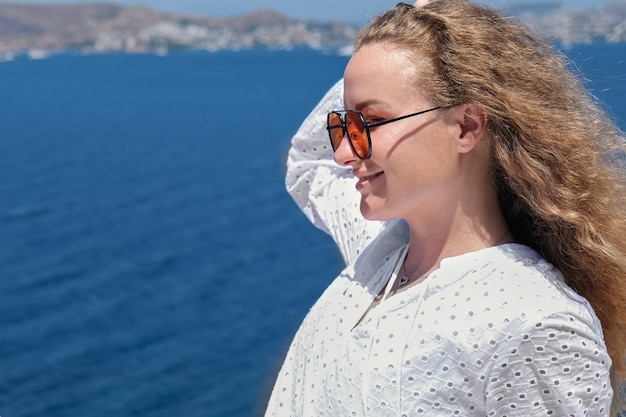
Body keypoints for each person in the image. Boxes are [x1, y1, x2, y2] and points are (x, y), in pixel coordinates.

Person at [264, 1, 626, 416]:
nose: (345, 153)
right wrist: (409, 31)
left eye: (370, 123)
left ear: (467, 126)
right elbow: (311, 164)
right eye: (343, 126)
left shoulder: (534, 323)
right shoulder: (383, 252)